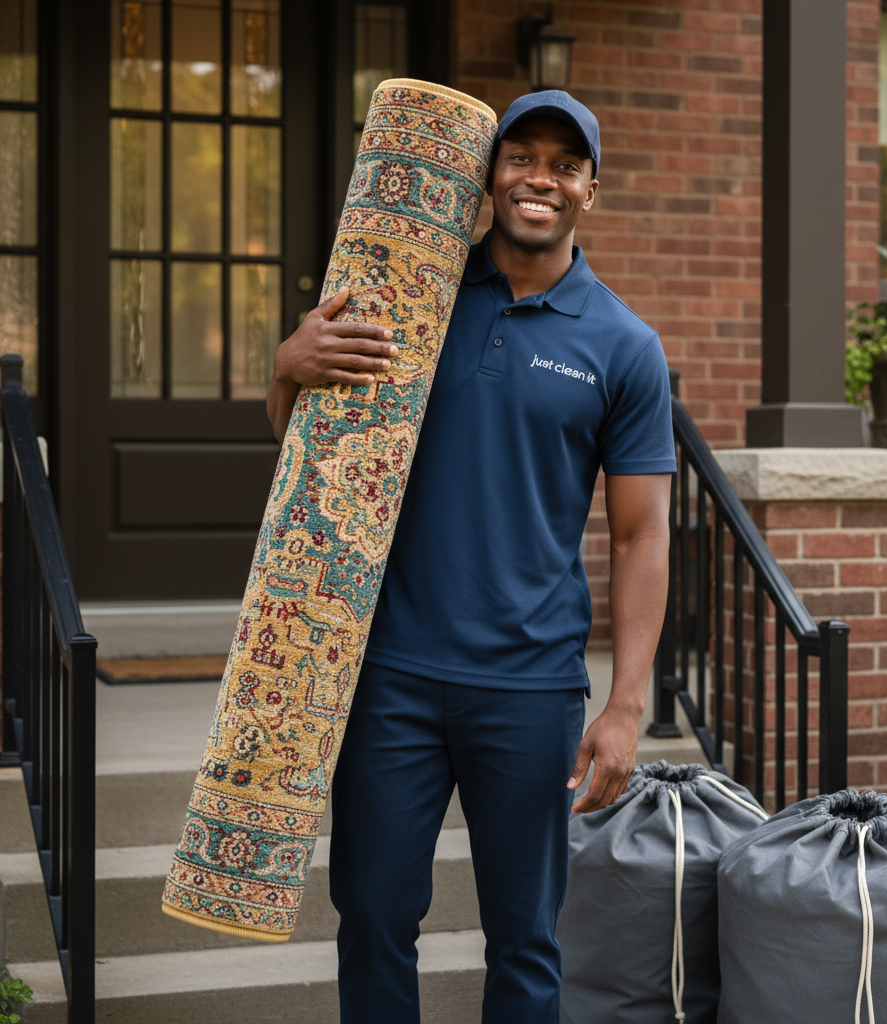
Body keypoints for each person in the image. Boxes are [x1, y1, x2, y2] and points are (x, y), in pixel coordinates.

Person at [266, 90, 676, 1024]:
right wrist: (287, 367)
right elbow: (310, 451)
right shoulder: (413, 296)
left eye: (564, 165)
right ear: (490, 175)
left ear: (591, 190)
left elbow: (641, 533)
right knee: (372, 918)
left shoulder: (624, 345)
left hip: (529, 685)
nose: (540, 178)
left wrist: (625, 704)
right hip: (390, 673)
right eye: (521, 156)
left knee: (526, 938)